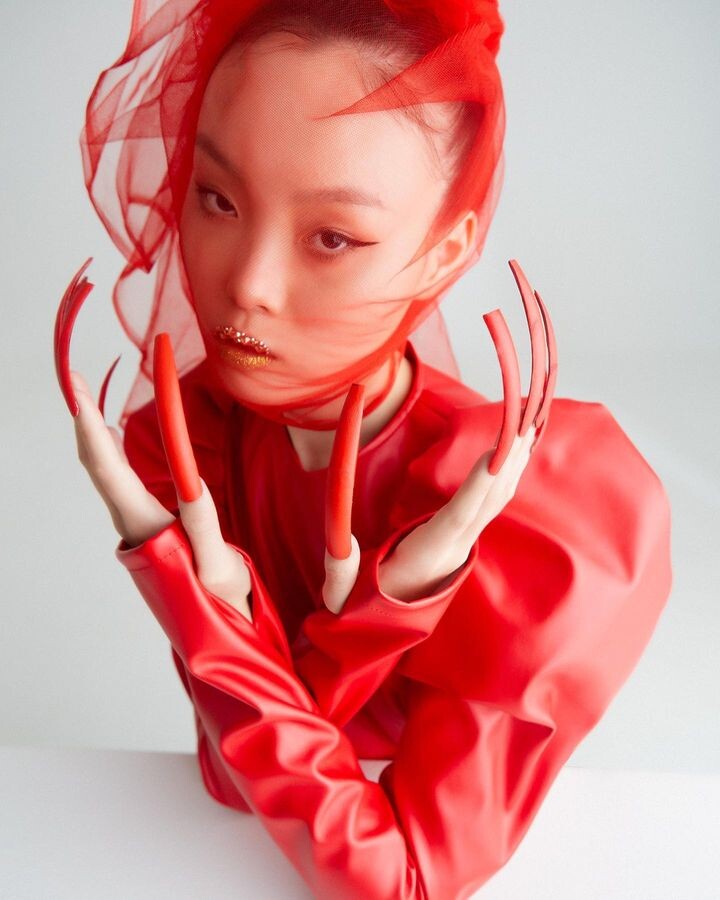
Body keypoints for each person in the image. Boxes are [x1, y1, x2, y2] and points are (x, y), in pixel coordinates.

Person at [58, 1, 673, 897]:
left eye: (333, 237)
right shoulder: (192, 441)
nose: (248, 285)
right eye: (217, 197)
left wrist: (212, 608)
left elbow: (400, 879)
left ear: (444, 253)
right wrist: (362, 625)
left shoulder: (549, 509)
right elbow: (230, 780)